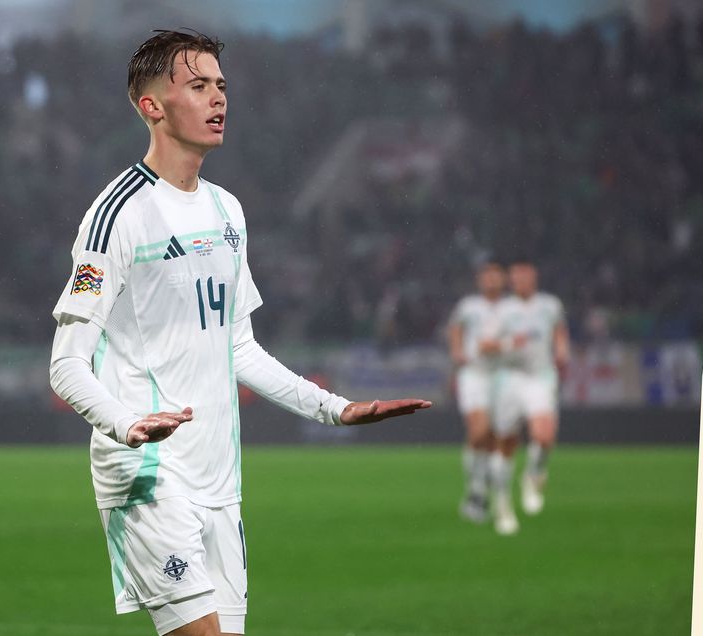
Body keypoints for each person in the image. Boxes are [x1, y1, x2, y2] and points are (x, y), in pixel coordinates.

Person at [48, 30, 431, 636]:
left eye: (221, 86)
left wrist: (338, 410)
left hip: (220, 480)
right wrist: (126, 424)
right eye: (197, 86)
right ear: (151, 106)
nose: (218, 98)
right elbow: (66, 365)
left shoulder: (228, 211)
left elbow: (239, 348)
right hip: (147, 472)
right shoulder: (115, 215)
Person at [488, 259, 569, 536]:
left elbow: (559, 332)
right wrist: (509, 343)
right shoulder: (501, 310)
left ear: (534, 276)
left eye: (526, 274)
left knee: (544, 436)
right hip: (509, 379)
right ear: (511, 279)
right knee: (506, 444)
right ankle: (502, 504)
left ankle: (533, 475)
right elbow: (485, 345)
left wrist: (561, 350)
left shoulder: (550, 305)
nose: (521, 279)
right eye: (516, 275)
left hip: (540, 376)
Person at [447, 260, 506, 523]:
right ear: (480, 280)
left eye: (495, 275)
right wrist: (458, 351)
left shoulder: (512, 309)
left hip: (502, 377)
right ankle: (476, 491)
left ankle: (480, 491)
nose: (491, 280)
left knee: (493, 437)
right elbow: (455, 329)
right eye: (487, 275)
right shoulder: (469, 307)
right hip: (474, 375)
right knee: (478, 429)